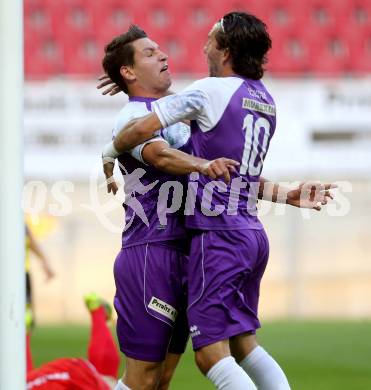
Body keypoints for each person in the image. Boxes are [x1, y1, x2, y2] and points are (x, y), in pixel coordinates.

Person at [102, 12, 335, 390]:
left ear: (225, 49)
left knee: (163, 378)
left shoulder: (191, 107)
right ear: (128, 72)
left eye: (161, 50)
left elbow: (229, 173)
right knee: (147, 377)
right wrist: (112, 149)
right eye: (150, 53)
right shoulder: (132, 116)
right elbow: (161, 156)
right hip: (153, 252)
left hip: (194, 248)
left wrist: (282, 194)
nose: (164, 56)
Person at [26, 293, 120, 390]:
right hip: (72, 375)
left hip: (71, 375)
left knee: (104, 378)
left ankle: (97, 311)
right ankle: (97, 311)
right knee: (104, 378)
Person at [25, 223, 55, 317]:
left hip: (23, 274)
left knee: (27, 314)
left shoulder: (19, 224)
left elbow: (32, 244)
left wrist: (45, 261)